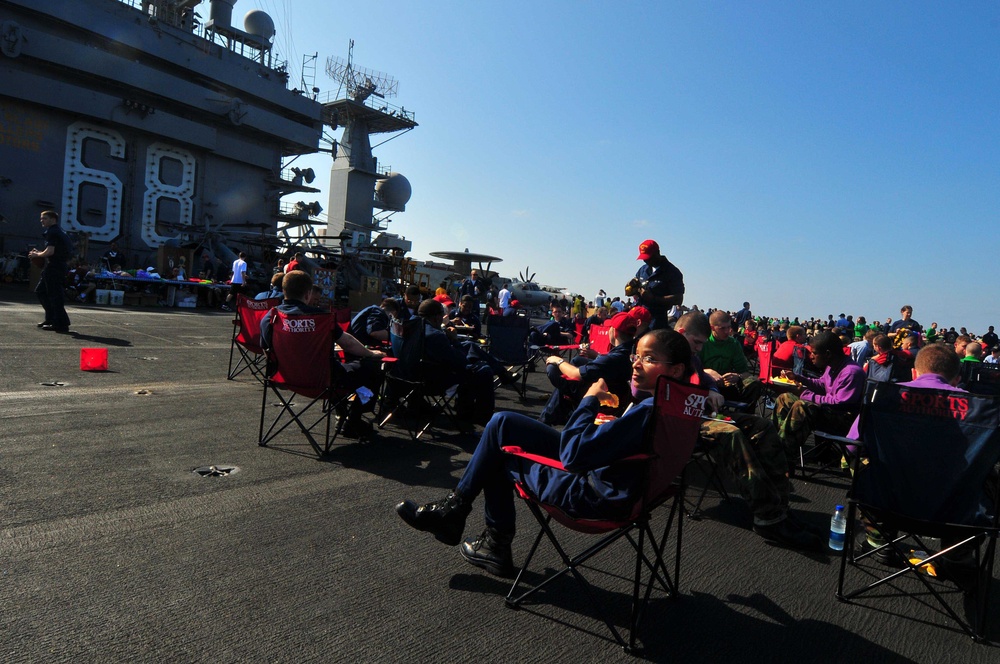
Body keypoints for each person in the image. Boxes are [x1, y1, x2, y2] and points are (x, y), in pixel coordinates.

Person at [395, 328, 701, 576]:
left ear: (675, 369)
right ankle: (457, 510)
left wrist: (590, 401)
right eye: (637, 355)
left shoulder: (648, 412)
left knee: (498, 452)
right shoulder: (677, 407)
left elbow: (573, 456)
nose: (635, 363)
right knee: (502, 423)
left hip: (589, 495)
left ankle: (491, 541)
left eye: (648, 359)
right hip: (621, 484)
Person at [675, 312, 822, 550]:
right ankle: (768, 517)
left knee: (762, 426)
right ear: (683, 334)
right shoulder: (662, 350)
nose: (698, 349)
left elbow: (704, 375)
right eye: (697, 343)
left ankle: (779, 506)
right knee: (730, 434)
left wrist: (711, 386)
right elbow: (642, 389)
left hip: (701, 412)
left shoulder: (691, 356)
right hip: (680, 420)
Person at [260, 271, 386, 439]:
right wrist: (371, 353)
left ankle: (342, 413)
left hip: (286, 378)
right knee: (371, 368)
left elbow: (267, 352)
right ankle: (354, 417)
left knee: (336, 371)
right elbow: (347, 344)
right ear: (307, 293)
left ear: (284, 290)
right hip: (324, 381)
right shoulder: (321, 317)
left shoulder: (270, 317)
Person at [772, 331, 866, 467]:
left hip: (843, 419)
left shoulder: (851, 372)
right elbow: (822, 384)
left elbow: (839, 403)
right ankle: (774, 446)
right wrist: (798, 378)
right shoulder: (832, 366)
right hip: (829, 411)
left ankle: (783, 457)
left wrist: (804, 393)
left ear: (827, 354)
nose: (811, 357)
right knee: (784, 398)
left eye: (814, 353)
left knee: (802, 406)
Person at [537, 308, 640, 426]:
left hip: (602, 396)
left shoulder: (614, 358)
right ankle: (550, 418)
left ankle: (545, 421)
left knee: (557, 374)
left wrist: (558, 360)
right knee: (576, 361)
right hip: (618, 393)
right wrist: (597, 356)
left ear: (614, 332)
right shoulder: (632, 352)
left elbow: (576, 373)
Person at [414, 298, 497, 425]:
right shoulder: (435, 335)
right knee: (483, 370)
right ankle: (480, 418)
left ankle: (464, 411)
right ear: (436, 317)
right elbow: (460, 361)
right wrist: (454, 340)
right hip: (430, 381)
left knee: (472, 361)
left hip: (407, 376)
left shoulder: (410, 327)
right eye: (442, 315)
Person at [699, 310, 763, 407]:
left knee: (754, 383)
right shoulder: (703, 341)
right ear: (712, 328)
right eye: (722, 328)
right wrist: (707, 372)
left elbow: (745, 372)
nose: (727, 331)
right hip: (704, 384)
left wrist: (738, 376)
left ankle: (743, 417)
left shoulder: (733, 344)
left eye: (729, 327)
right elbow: (690, 369)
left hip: (726, 385)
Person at [28, 211, 73, 332]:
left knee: (55, 296)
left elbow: (50, 252)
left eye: (44, 218)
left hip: (55, 266)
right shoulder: (60, 231)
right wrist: (41, 253)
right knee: (41, 291)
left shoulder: (52, 231)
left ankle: (61, 324)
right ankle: (51, 318)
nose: (41, 220)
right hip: (56, 266)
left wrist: (37, 254)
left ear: (53, 219)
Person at [630, 239, 684, 330]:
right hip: (639, 317)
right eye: (644, 258)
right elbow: (636, 286)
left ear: (657, 253)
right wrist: (632, 288)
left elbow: (678, 299)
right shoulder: (643, 269)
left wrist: (654, 299)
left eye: (648, 257)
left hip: (656, 321)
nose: (646, 260)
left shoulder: (672, 272)